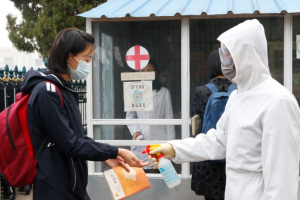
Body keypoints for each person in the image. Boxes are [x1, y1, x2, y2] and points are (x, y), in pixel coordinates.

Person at [150, 19, 300, 200]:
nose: (225, 61)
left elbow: (282, 178)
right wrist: (174, 148)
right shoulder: (236, 97)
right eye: (223, 53)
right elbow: (219, 141)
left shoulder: (277, 101)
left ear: (247, 55)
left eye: (229, 54)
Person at [21, 28, 149, 200]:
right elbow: (70, 144)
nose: (88, 65)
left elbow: (76, 137)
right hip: (55, 189)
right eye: (86, 59)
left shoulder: (64, 89)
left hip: (72, 186)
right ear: (68, 56)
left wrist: (107, 156)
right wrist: (115, 151)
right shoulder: (47, 92)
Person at [191, 50, 231, 200]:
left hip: (208, 157)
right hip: (232, 156)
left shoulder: (201, 91)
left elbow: (195, 127)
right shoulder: (239, 90)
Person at [126, 58, 175, 172]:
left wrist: (171, 147)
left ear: (155, 72)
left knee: (160, 181)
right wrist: (136, 131)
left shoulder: (164, 92)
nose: (145, 74)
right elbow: (130, 116)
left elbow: (169, 121)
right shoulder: (134, 91)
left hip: (159, 143)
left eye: (149, 71)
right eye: (142, 71)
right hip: (140, 144)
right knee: (140, 181)